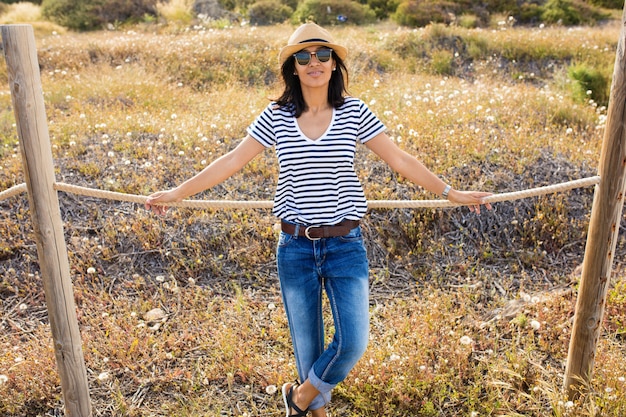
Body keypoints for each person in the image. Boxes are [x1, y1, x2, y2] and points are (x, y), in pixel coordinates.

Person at [145, 22, 492, 417]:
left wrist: (450, 192)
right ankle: (314, 409)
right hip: (294, 247)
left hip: (345, 245)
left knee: (353, 342)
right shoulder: (275, 116)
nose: (314, 62)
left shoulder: (354, 112)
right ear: (292, 66)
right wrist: (177, 193)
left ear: (334, 65)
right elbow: (231, 161)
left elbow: (400, 159)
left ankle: (299, 398)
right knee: (308, 349)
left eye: (323, 55)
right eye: (304, 55)